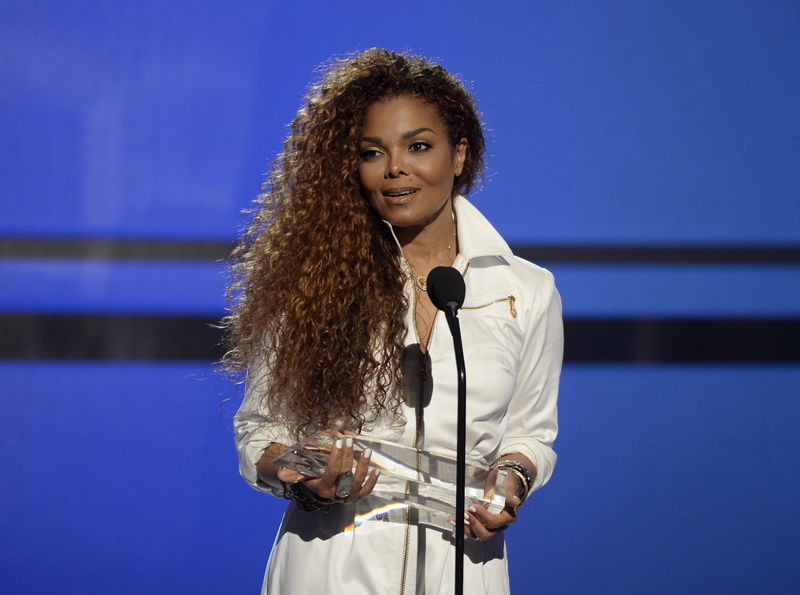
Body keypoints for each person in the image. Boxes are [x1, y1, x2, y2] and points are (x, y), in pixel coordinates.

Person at [225, 48, 563, 594]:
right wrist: (306, 475)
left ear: (459, 155)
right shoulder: (308, 285)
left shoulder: (526, 289)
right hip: (331, 565)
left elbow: (531, 433)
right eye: (372, 152)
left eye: (419, 146)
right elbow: (260, 430)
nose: (396, 168)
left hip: (463, 568)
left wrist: (511, 481)